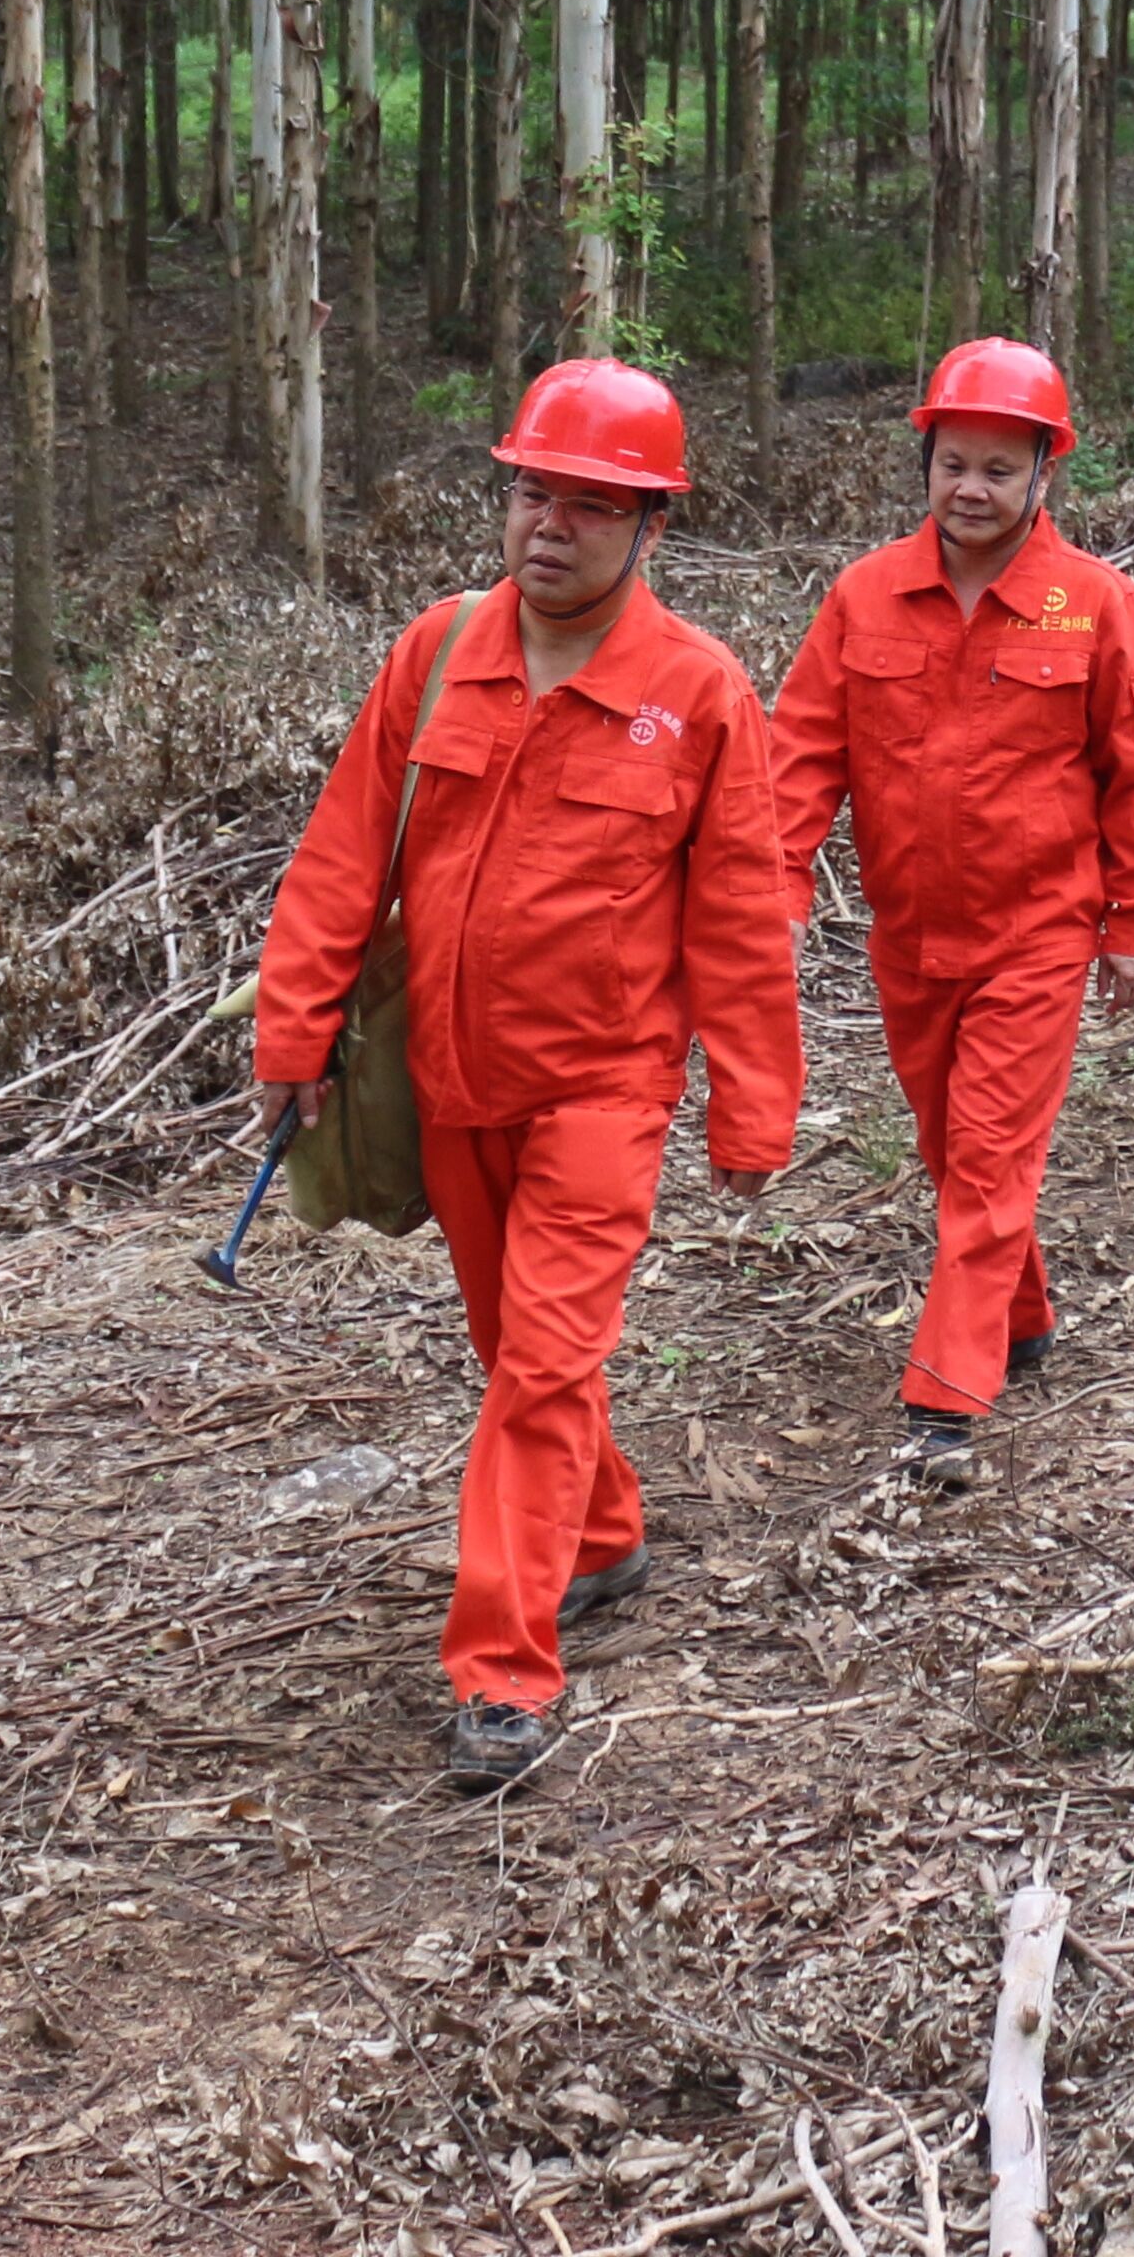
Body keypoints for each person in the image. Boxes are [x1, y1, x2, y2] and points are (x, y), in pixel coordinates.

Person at [247, 359, 806, 1796]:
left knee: (548, 1365)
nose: (549, 526)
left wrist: (752, 1102)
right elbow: (340, 853)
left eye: (590, 504)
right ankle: (603, 1535)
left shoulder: (694, 695)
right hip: (449, 1085)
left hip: (605, 1095)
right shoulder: (437, 654)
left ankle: (502, 1670)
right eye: (531, 492)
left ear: (651, 526)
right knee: (518, 1359)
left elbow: (743, 918)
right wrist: (293, 1031)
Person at [768, 340, 1134, 1491]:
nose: (972, 488)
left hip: (1039, 935)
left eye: (1000, 469)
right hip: (909, 939)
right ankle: (1025, 1314)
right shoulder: (863, 595)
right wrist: (778, 892)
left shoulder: (1093, 603)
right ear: (927, 463)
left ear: (1044, 472)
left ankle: (943, 1402)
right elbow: (800, 756)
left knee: (992, 1158)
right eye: (955, 462)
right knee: (954, 1151)